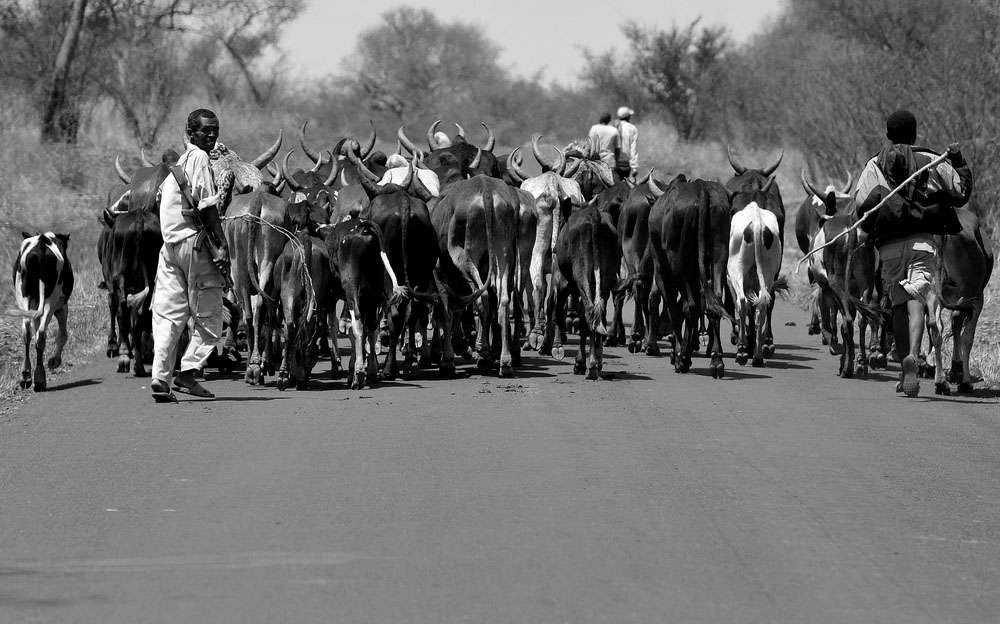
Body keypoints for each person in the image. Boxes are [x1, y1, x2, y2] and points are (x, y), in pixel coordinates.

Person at [854, 109, 972, 397]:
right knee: (917, 301)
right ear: (915, 134)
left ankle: (903, 360)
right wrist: (959, 161)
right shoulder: (932, 160)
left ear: (887, 135)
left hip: (890, 247)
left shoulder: (873, 165)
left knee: (898, 304)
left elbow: (860, 206)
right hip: (923, 243)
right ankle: (915, 358)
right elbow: (961, 192)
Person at [149, 108, 230, 403]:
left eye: (215, 130)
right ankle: (188, 371)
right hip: (194, 247)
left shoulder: (178, 165)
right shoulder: (199, 159)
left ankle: (160, 377)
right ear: (191, 132)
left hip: (169, 248)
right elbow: (208, 207)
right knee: (209, 316)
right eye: (205, 130)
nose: (211, 135)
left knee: (168, 315)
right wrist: (221, 245)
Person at [615, 106, 638, 182]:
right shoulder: (632, 128)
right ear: (628, 117)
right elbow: (633, 148)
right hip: (625, 164)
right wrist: (634, 168)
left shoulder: (613, 127)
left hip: (613, 163)